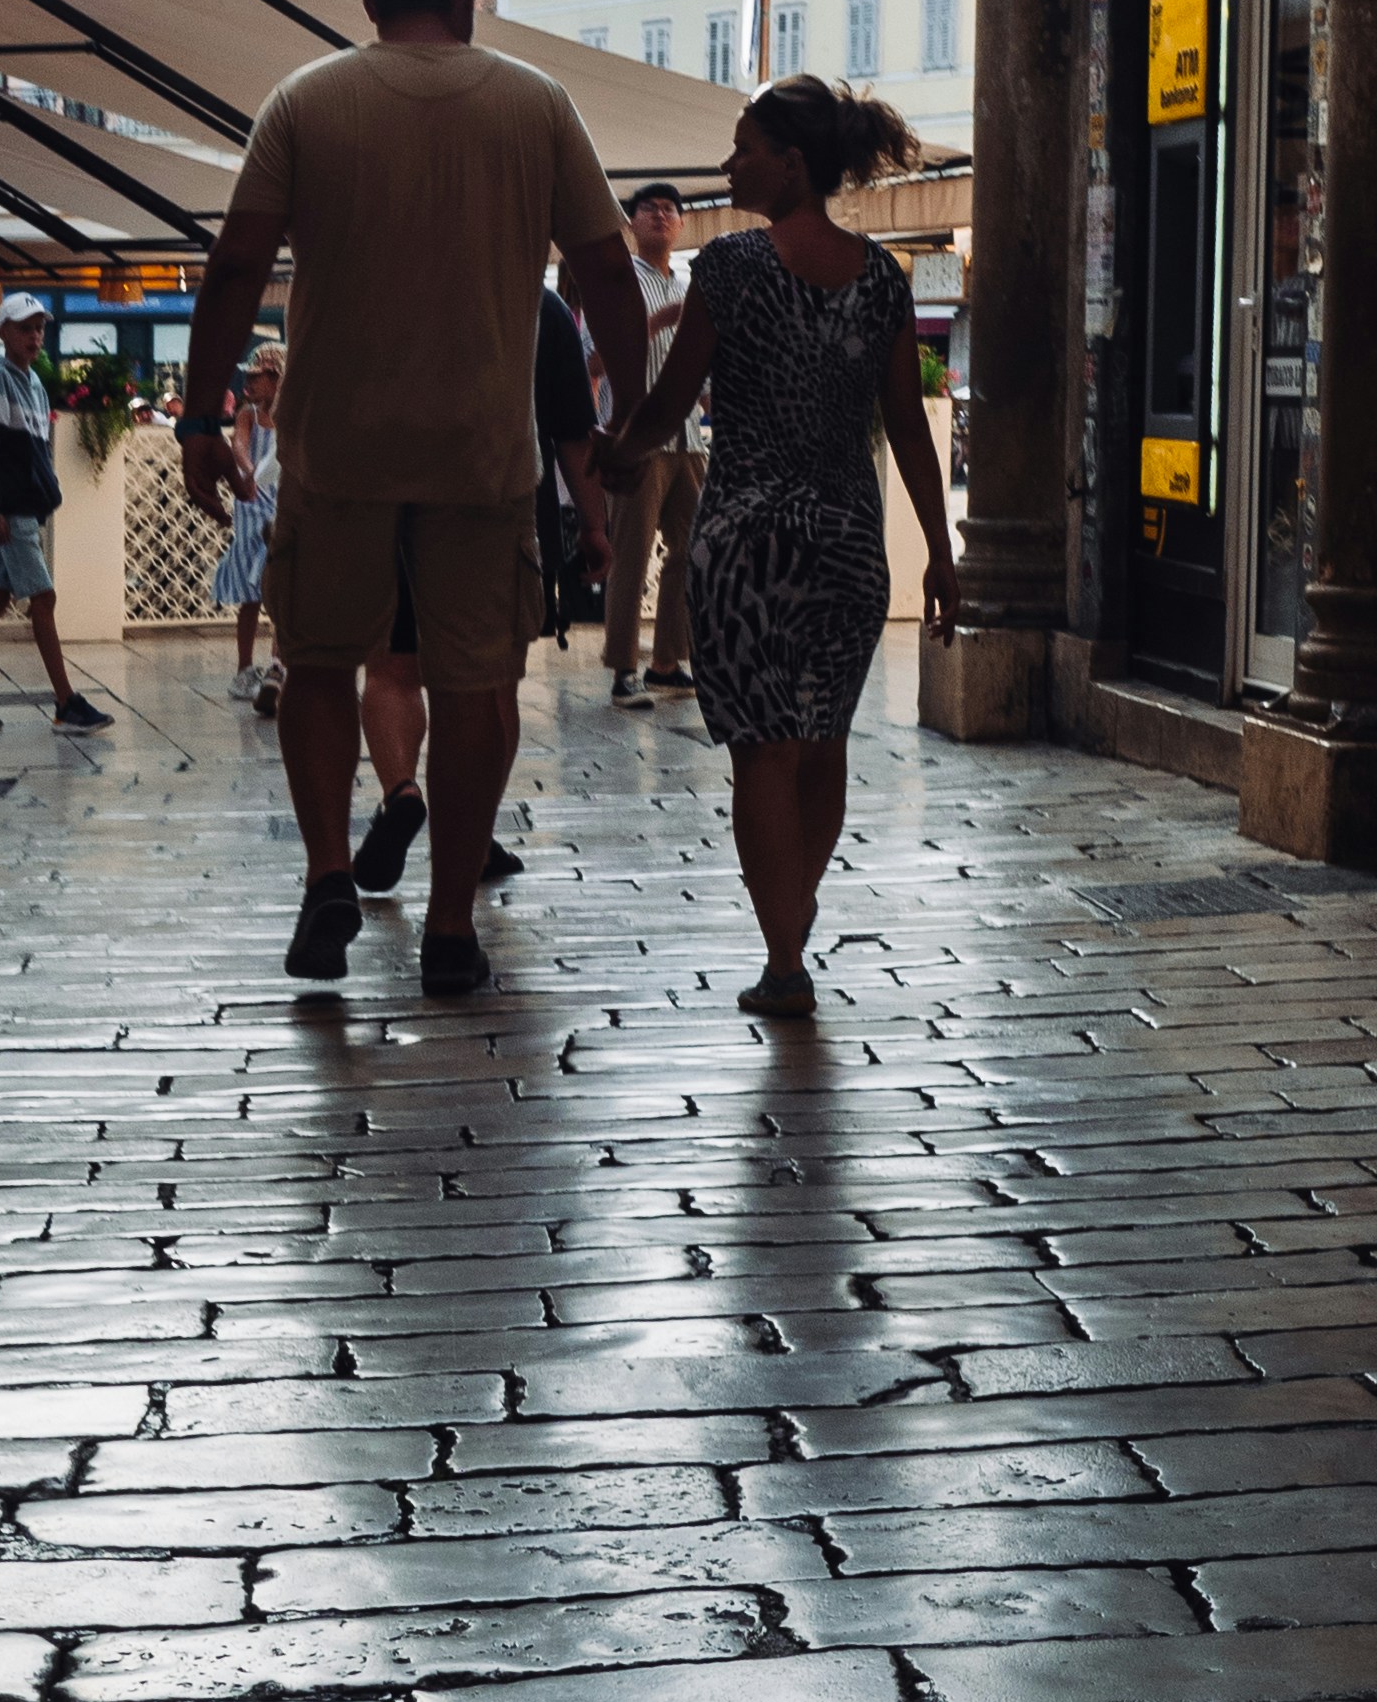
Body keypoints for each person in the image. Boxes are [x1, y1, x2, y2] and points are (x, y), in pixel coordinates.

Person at [177, 0, 645, 996]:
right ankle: (446, 924)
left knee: (322, 668)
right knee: (480, 686)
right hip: (481, 457)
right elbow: (607, 273)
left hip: (336, 451)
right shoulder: (537, 105)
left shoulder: (304, 101)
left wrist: (202, 419)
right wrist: (631, 417)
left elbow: (236, 265)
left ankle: (330, 872)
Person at [603, 76, 956, 1019]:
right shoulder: (879, 278)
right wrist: (943, 552)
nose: (728, 165)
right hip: (845, 541)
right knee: (822, 742)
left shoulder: (728, 271)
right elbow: (907, 431)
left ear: (791, 165)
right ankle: (794, 921)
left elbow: (668, 407)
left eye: (744, 148)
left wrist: (615, 456)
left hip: (747, 539)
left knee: (761, 752)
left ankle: (784, 956)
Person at [356, 269, 609, 910]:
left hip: (394, 500)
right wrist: (596, 526)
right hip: (504, 505)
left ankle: (402, 794)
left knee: (391, 669)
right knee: (492, 686)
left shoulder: (388, 293)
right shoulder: (539, 305)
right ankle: (474, 833)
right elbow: (573, 432)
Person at [0, 293, 108, 733]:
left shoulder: (33, 382)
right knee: (43, 599)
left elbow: (33, 448)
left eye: (39, 328)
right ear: (2, 331)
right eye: (25, 328)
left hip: (26, 505)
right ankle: (66, 703)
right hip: (13, 509)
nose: (34, 336)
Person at [601, 180, 702, 709]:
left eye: (670, 209)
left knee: (690, 550)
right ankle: (622, 668)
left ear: (682, 224)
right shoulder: (618, 286)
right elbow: (592, 364)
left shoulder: (690, 289)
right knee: (632, 554)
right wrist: (654, 325)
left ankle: (668, 661)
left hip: (687, 439)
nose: (661, 216)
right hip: (635, 438)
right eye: (650, 209)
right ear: (632, 222)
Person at [216, 349, 284, 710]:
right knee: (251, 592)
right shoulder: (248, 416)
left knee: (278, 585)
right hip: (252, 506)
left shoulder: (289, 416)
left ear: (276, 379)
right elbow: (238, 444)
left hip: (280, 504)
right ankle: (245, 667)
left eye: (256, 377)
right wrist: (249, 470)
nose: (248, 383)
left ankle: (276, 663)